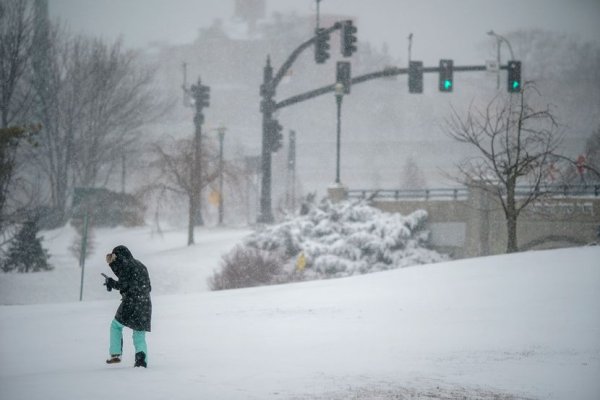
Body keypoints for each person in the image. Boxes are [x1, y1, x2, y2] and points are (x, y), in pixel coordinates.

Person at [103, 245, 152, 368]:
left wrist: (110, 282)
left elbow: (122, 285)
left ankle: (115, 354)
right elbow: (149, 287)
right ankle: (141, 360)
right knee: (139, 333)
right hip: (145, 303)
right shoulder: (141, 265)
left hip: (131, 302)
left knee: (116, 326)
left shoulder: (125, 265)